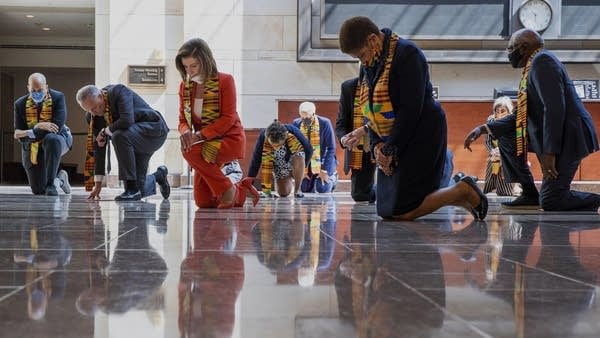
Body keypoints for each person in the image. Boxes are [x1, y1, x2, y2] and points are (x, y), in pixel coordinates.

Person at [338, 16, 487, 220]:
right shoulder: (370, 62)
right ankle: (458, 196)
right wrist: (377, 145)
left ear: (372, 40)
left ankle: (461, 190)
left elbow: (411, 109)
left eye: (361, 55)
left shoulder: (408, 54)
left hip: (421, 132)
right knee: (385, 208)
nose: (361, 61)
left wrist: (390, 149)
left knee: (402, 210)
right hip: (391, 137)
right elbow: (370, 108)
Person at [464, 28, 600, 211]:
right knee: (505, 134)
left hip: (569, 137)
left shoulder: (543, 61)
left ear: (524, 47)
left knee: (552, 201)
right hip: (560, 134)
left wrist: (549, 152)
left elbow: (554, 109)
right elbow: (521, 115)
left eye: (510, 48)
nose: (508, 53)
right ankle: (529, 193)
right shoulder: (535, 63)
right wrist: (484, 128)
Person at [175, 38, 258, 209]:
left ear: (206, 61)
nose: (189, 71)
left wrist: (198, 136)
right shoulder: (185, 87)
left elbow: (229, 118)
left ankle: (228, 188)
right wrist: (185, 132)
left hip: (229, 139)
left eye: (194, 66)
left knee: (189, 150)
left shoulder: (225, 81)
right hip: (203, 142)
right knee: (204, 202)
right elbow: (183, 120)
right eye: (185, 67)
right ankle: (240, 190)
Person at [76, 84, 171, 201]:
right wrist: (98, 184)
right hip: (131, 141)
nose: (94, 113)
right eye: (89, 110)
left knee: (119, 135)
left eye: (95, 107)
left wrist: (105, 131)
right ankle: (159, 175)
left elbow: (127, 120)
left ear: (100, 96)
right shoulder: (92, 116)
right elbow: (99, 147)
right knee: (140, 189)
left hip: (153, 131)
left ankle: (131, 189)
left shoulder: (118, 92)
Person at [13, 73, 72, 196]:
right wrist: (37, 127)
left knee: (51, 139)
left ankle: (51, 184)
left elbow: (56, 127)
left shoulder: (58, 97)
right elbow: (17, 134)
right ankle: (60, 179)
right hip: (32, 147)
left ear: (46, 87)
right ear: (28, 87)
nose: (36, 92)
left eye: (40, 90)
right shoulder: (20, 104)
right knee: (38, 190)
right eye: (33, 90)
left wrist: (28, 133)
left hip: (58, 139)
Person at [335, 77, 376, 203]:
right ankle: (378, 192)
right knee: (359, 195)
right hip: (362, 147)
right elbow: (341, 123)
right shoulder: (349, 87)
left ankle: (386, 190)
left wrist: (365, 129)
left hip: (387, 141)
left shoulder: (386, 83)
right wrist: (344, 139)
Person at [248, 120, 313, 198]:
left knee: (299, 154)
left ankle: (297, 190)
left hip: (294, 160)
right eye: (273, 145)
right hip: (279, 164)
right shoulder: (263, 136)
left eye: (279, 145)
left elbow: (309, 149)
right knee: (283, 193)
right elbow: (256, 161)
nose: (276, 148)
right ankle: (287, 178)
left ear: (285, 137)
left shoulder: (293, 131)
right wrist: (249, 184)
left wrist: (303, 168)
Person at [292, 101, 338, 194]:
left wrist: (324, 170)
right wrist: (301, 170)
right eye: (302, 117)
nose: (304, 120)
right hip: (307, 161)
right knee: (305, 189)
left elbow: (331, 148)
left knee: (323, 189)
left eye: (307, 117)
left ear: (313, 113)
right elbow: (295, 148)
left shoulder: (325, 123)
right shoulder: (296, 123)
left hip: (324, 160)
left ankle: (333, 177)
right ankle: (313, 179)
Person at [483, 96, 514, 196]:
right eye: (497, 111)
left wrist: (504, 152)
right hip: (494, 156)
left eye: (503, 111)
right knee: (488, 186)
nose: (499, 114)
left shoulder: (513, 122)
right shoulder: (491, 121)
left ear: (509, 111)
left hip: (509, 157)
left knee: (505, 192)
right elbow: (488, 141)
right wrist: (493, 151)